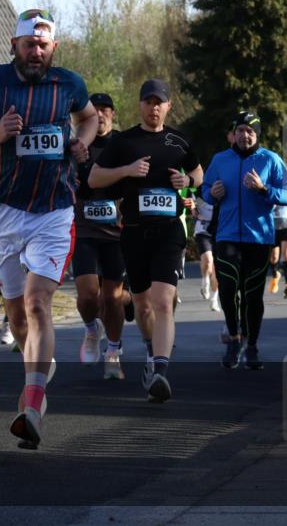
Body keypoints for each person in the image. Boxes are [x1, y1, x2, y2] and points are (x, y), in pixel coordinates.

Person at [0, 9, 98, 448]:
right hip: (5, 212)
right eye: (29, 44)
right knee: (18, 318)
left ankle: (30, 405)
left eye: (43, 45)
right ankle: (37, 370)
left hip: (54, 211)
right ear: (15, 45)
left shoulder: (68, 83)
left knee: (37, 301)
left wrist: (82, 140)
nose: (36, 52)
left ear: (54, 48)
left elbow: (88, 117)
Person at [89, 78, 202, 403]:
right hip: (135, 231)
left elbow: (198, 173)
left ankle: (161, 372)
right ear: (140, 105)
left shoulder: (179, 140)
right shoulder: (124, 142)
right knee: (141, 303)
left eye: (160, 102)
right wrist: (126, 170)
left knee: (163, 300)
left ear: (168, 106)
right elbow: (95, 177)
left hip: (169, 231)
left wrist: (187, 180)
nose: (154, 107)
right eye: (149, 102)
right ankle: (152, 354)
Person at [202, 112, 287, 370]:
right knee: (230, 289)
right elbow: (204, 188)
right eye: (241, 130)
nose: (245, 135)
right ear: (235, 132)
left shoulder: (270, 160)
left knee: (253, 296)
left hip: (259, 237)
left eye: (250, 131)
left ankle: (252, 345)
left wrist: (264, 189)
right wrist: (211, 193)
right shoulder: (220, 159)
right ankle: (234, 340)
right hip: (227, 235)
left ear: (257, 135)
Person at [71, 92, 131, 380]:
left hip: (116, 234)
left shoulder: (123, 145)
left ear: (113, 114)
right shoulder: (77, 145)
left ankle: (114, 353)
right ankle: (91, 329)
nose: (102, 115)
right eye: (96, 110)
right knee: (87, 296)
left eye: (106, 110)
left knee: (114, 298)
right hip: (84, 230)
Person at [192, 194, 221, 312]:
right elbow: (194, 209)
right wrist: (193, 209)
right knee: (208, 261)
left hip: (219, 232)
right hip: (203, 231)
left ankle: (214, 300)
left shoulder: (222, 193)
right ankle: (205, 280)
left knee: (217, 270)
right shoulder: (200, 194)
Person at [268, 202, 287, 299]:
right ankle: (275, 274)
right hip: (272, 227)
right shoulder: (268, 188)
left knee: (286, 254)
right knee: (274, 257)